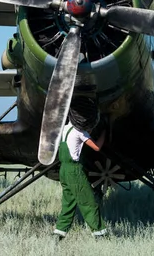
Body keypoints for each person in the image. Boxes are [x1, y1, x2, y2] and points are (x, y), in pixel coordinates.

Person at [53, 96, 108, 239]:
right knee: (89, 203)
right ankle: (100, 235)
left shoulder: (64, 130)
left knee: (68, 204)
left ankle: (58, 235)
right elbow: (97, 147)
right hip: (74, 171)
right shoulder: (80, 132)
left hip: (63, 170)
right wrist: (104, 133)